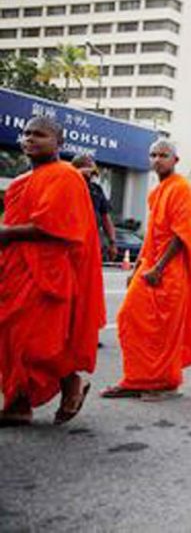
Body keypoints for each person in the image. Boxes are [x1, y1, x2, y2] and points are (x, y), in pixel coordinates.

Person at [0, 116, 105, 426]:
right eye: (27, 133)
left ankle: (71, 380)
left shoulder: (66, 176)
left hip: (47, 273)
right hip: (15, 270)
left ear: (59, 143)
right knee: (9, 338)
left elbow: (59, 229)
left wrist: (6, 234)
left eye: (41, 135)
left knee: (36, 342)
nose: (31, 139)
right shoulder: (20, 182)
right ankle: (18, 404)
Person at [103, 140, 191, 400]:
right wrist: (137, 267)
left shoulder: (182, 189)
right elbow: (151, 236)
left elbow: (181, 235)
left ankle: (162, 382)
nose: (157, 159)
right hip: (150, 266)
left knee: (162, 331)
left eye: (163, 155)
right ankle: (136, 379)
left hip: (169, 271)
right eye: (153, 155)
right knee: (128, 318)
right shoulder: (157, 191)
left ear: (175, 160)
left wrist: (159, 267)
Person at [72, 154, 118, 262]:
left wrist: (112, 242)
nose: (91, 172)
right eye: (88, 166)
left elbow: (106, 217)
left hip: (93, 241)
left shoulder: (96, 189)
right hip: (71, 241)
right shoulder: (68, 183)